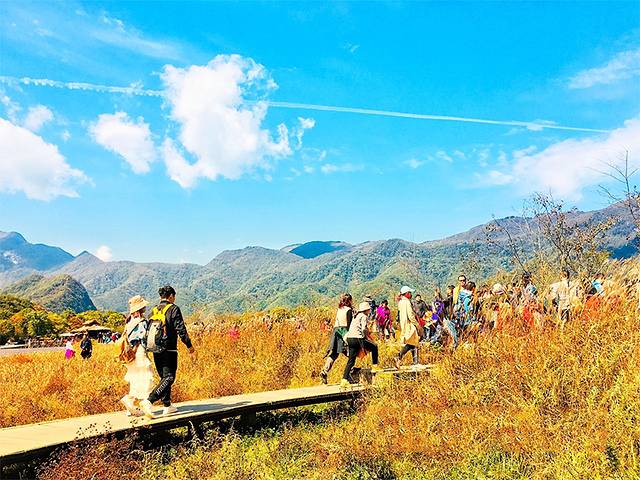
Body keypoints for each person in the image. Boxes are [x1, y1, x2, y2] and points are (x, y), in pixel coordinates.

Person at [139, 285, 195, 419]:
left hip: (155, 348)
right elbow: (181, 329)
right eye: (174, 296)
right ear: (171, 296)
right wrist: (189, 345)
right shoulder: (173, 309)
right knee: (169, 377)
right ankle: (149, 401)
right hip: (169, 349)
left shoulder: (154, 310)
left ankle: (167, 405)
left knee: (164, 378)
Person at [120, 295, 155, 417]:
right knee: (147, 377)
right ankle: (146, 405)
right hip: (139, 351)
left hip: (129, 354)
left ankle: (130, 403)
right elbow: (140, 338)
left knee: (135, 378)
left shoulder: (129, 321)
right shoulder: (141, 321)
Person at [341, 302, 381, 387]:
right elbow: (363, 329)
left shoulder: (356, 316)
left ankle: (344, 380)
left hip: (350, 338)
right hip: (358, 338)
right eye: (369, 309)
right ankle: (375, 366)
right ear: (366, 310)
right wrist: (367, 336)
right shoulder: (363, 316)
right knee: (374, 347)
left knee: (351, 360)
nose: (369, 310)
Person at [320, 293, 353, 384]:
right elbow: (349, 324)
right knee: (350, 353)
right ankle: (350, 373)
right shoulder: (349, 310)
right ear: (349, 301)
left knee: (334, 353)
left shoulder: (339, 309)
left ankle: (324, 371)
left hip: (336, 331)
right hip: (344, 331)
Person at [395, 285, 421, 368]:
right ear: (406, 294)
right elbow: (410, 315)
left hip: (404, 323)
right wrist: (417, 324)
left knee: (413, 342)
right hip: (409, 324)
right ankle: (399, 356)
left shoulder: (400, 302)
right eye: (409, 293)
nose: (411, 294)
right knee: (412, 342)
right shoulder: (407, 302)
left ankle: (415, 362)